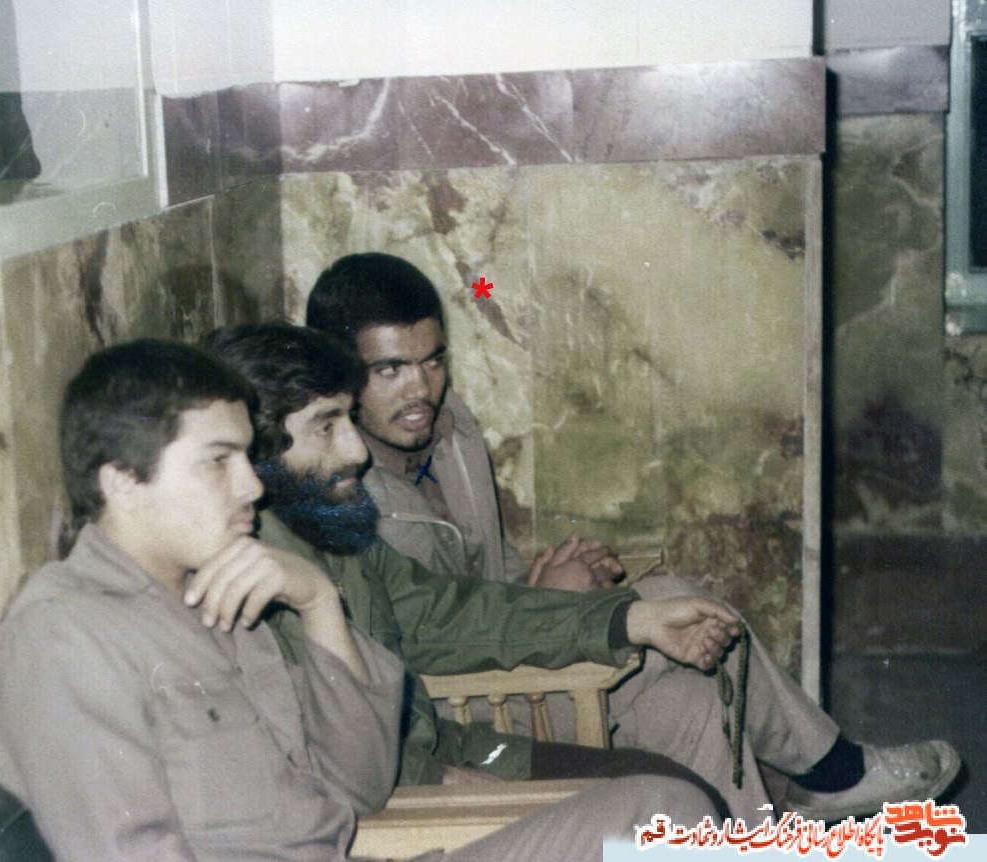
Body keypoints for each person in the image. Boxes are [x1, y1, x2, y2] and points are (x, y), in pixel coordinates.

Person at [0, 338, 717, 862]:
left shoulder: (222, 592)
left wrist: (317, 603)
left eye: (246, 456)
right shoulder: (66, 638)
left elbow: (356, 786)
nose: (251, 485)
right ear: (122, 483)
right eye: (218, 462)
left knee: (666, 815)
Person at [304, 251, 962, 823]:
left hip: (511, 644)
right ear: (337, 373)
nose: (420, 388)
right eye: (389, 370)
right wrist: (549, 600)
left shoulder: (449, 428)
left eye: (432, 361)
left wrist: (543, 580)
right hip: (467, 704)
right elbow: (411, 645)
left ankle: (751, 839)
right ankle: (833, 770)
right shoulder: (342, 496)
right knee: (676, 599)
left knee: (690, 698)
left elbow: (480, 580)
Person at [208, 323, 737, 809]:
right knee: (666, 807)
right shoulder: (245, 576)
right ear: (255, 445)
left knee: (673, 786)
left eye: (348, 418)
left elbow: (456, 613)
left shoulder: (329, 529)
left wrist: (629, 620)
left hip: (453, 749)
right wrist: (434, 779)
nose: (356, 450)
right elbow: (306, 754)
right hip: (402, 796)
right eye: (326, 427)